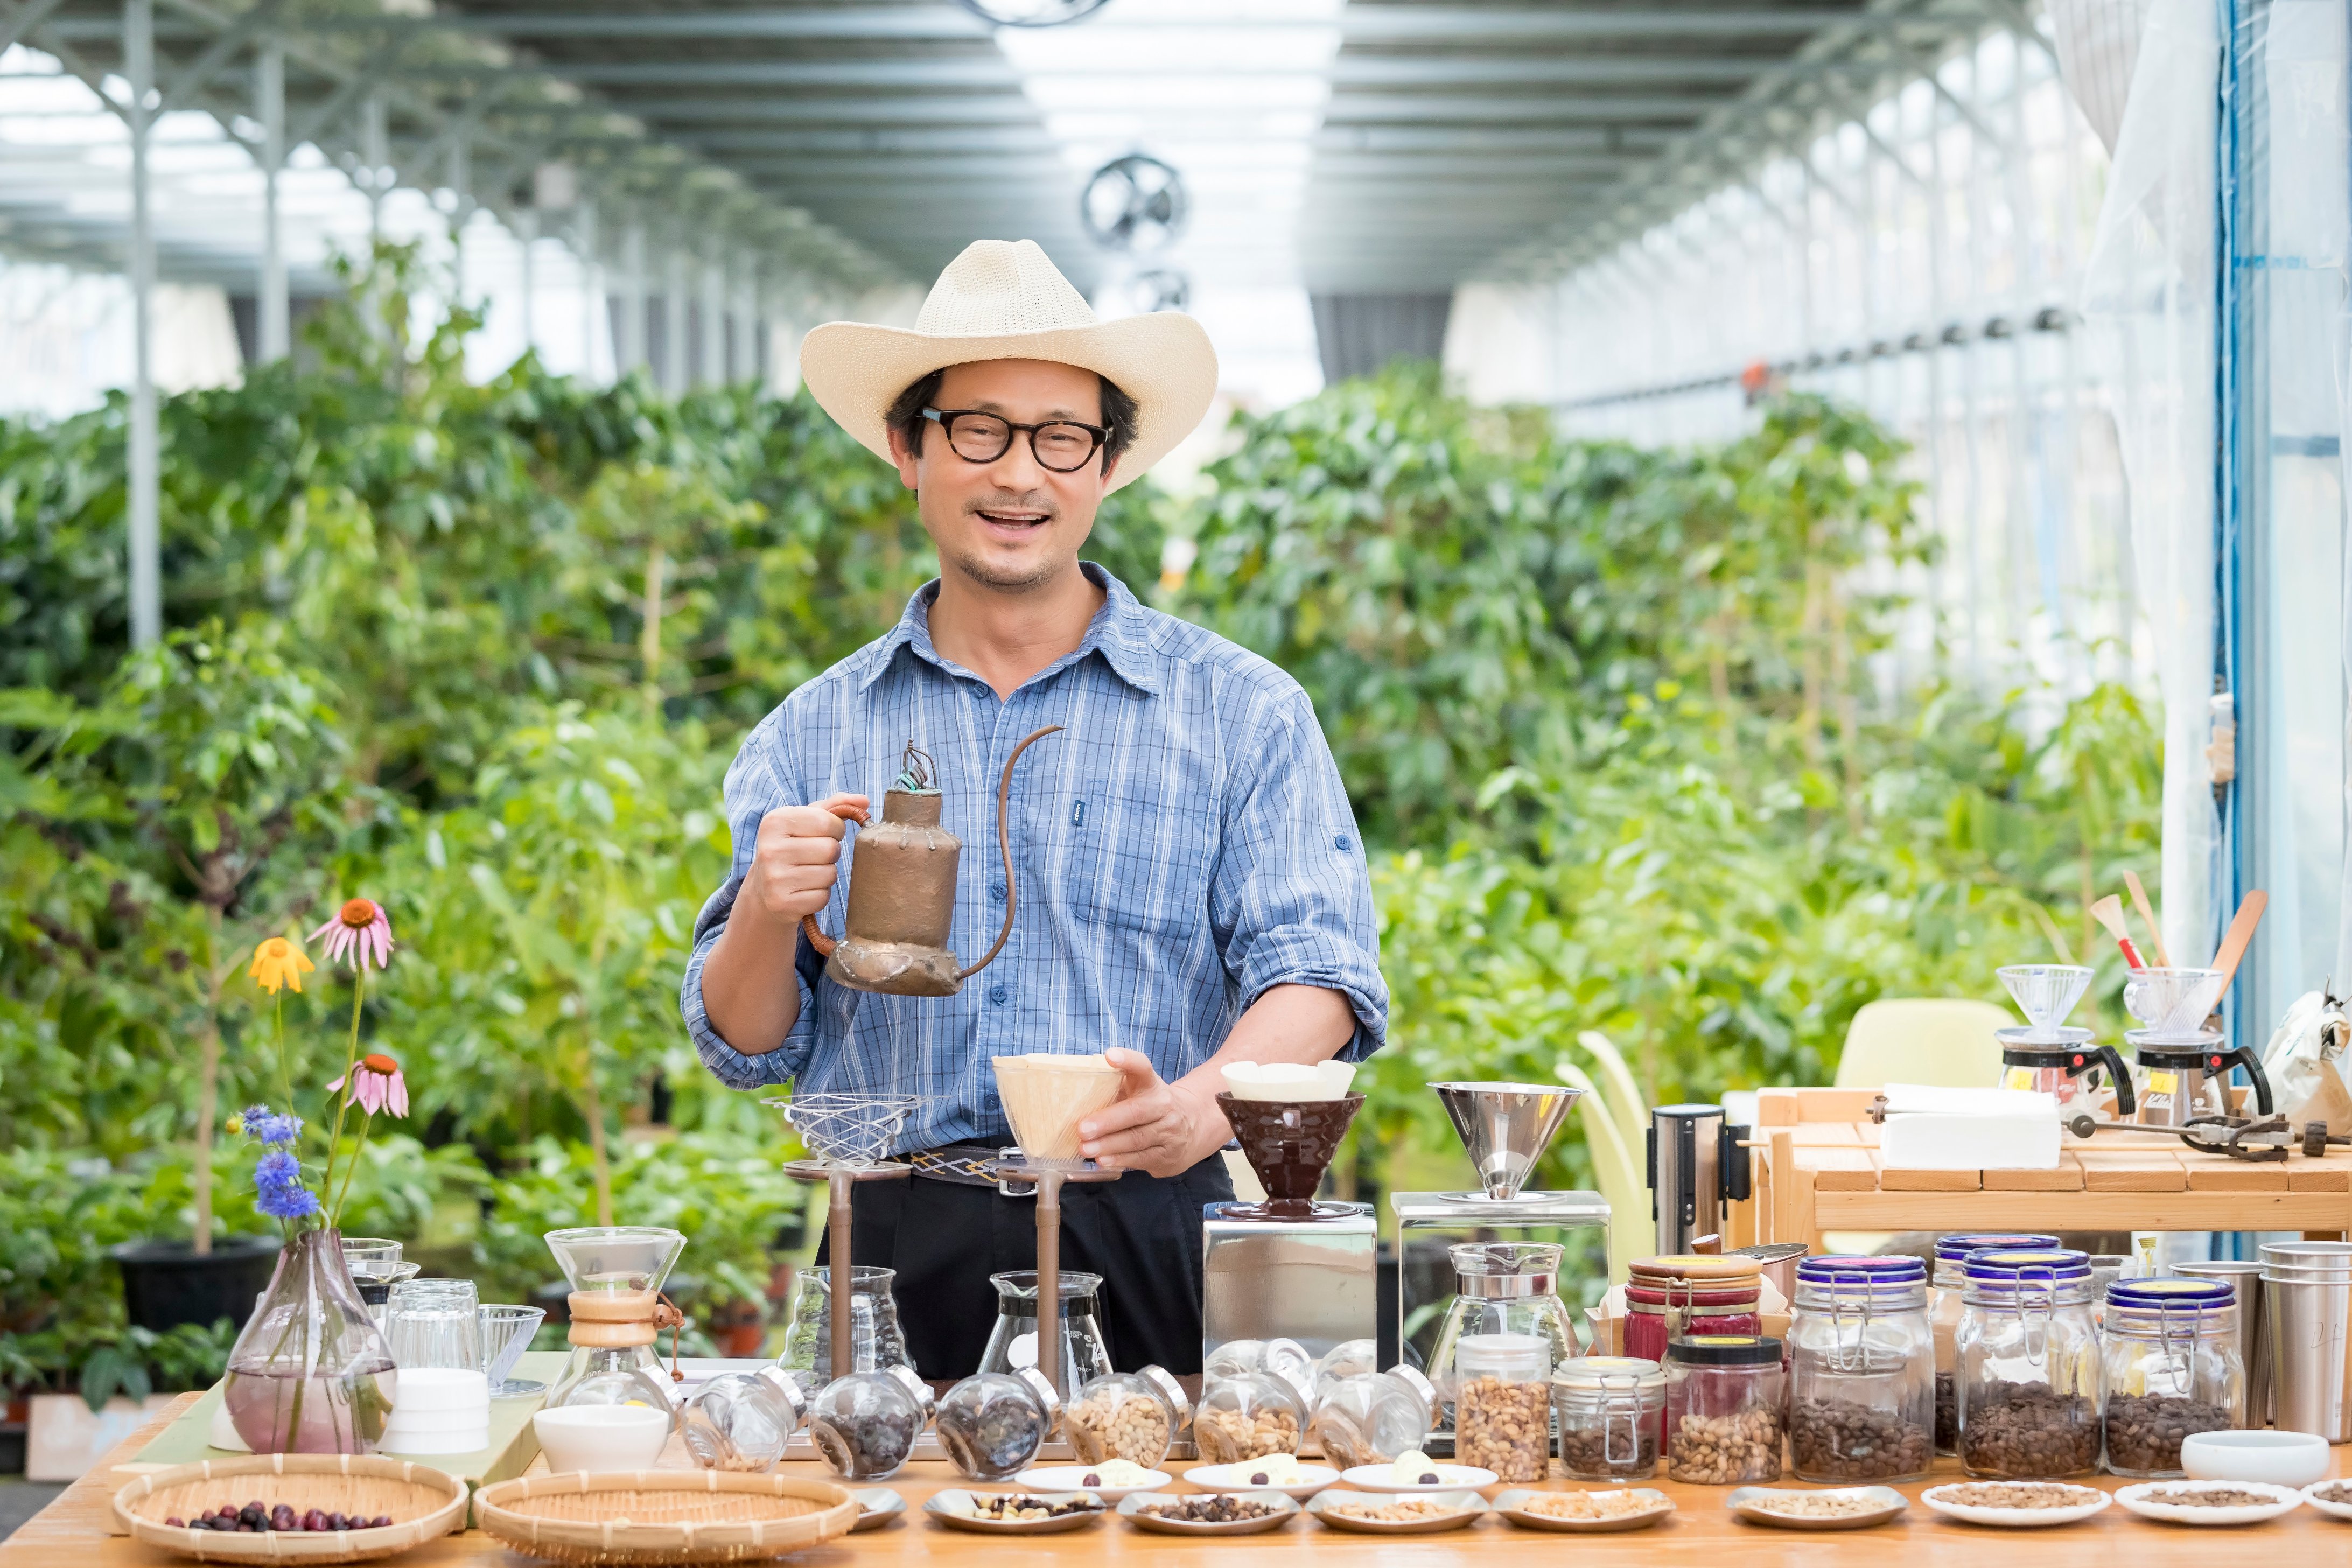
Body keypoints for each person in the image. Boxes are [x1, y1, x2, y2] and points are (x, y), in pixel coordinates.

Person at [681, 238, 1387, 1378]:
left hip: (1152, 1214)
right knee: (890, 1543)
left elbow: (1320, 972)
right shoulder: (813, 730)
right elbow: (750, 1040)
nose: (1022, 475)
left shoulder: (1238, 710)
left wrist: (1210, 1101)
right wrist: (766, 908)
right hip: (895, 1240)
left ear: (1107, 465)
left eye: (1063, 437)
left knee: (1161, 1537)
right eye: (981, 431)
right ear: (910, 449)